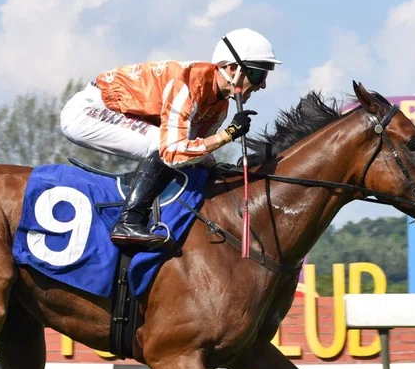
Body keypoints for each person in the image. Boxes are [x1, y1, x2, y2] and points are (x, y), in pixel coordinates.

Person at [60, 27, 281, 248]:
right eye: (258, 73)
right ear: (232, 69)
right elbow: (173, 153)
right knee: (161, 145)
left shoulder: (219, 105)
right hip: (89, 112)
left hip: (118, 113)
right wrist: (227, 135)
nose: (263, 84)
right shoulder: (187, 85)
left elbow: (197, 152)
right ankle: (128, 221)